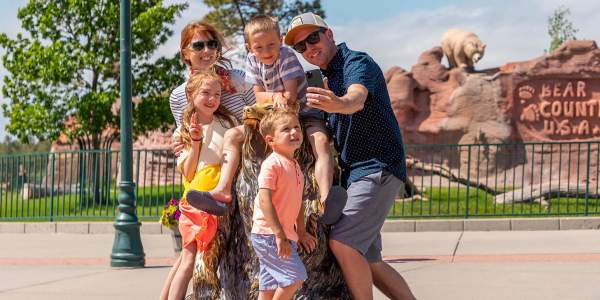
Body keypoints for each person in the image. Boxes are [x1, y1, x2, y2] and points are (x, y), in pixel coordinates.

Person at [284, 12, 416, 300]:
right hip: (354, 173)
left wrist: (338, 103)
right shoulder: (321, 81)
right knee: (370, 261)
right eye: (300, 47)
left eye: (313, 38)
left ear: (329, 34)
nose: (309, 48)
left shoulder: (357, 62)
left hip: (377, 167)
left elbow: (355, 99)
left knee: (343, 243)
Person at [244, 15, 344, 223]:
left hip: (304, 112)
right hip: (276, 114)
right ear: (249, 47)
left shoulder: (286, 56)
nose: (266, 52)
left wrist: (278, 97)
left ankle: (325, 199)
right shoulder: (252, 60)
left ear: (280, 40)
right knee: (238, 137)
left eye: (271, 45)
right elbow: (258, 96)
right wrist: (274, 97)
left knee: (320, 141)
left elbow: (290, 97)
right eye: (259, 47)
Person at [160, 72, 237, 300]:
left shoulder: (228, 123)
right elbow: (188, 171)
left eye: (217, 94)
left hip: (222, 201)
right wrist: (194, 143)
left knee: (218, 260)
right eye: (205, 93)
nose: (212, 99)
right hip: (197, 200)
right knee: (189, 259)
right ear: (191, 95)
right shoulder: (183, 130)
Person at [169, 20, 255, 207]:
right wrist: (180, 142)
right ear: (186, 53)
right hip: (204, 173)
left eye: (212, 44)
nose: (207, 51)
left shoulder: (238, 80)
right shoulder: (178, 96)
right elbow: (183, 136)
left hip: (246, 163)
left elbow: (262, 115)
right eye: (198, 46)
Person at [251, 109, 317, 300]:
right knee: (294, 279)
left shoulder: (295, 166)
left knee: (269, 285)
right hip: (270, 235)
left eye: (297, 127)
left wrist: (301, 232)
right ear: (271, 140)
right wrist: (279, 234)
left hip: (281, 235)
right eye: (286, 129)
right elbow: (264, 201)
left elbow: (297, 203)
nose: (294, 132)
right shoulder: (272, 165)